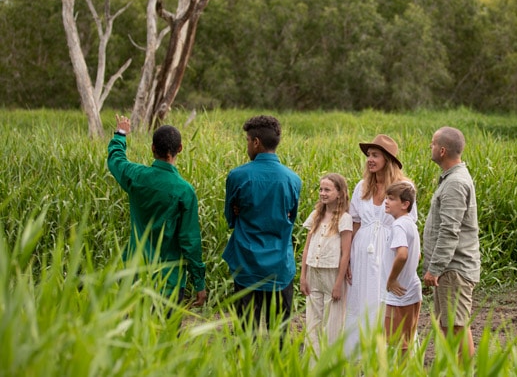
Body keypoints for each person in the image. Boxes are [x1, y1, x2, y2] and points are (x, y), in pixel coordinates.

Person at [107, 115, 207, 310]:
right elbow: (190, 241)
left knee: (136, 335)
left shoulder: (136, 176)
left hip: (134, 277)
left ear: (153, 148)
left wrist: (121, 134)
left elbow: (115, 159)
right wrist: (199, 283)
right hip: (169, 282)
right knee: (167, 336)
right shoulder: (184, 191)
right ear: (180, 148)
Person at [223, 115, 302, 332]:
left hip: (246, 264)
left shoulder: (238, 176)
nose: (247, 145)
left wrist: (241, 212)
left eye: (248, 140)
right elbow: (290, 218)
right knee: (280, 334)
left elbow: (230, 218)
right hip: (280, 266)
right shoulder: (293, 179)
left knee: (244, 333)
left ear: (256, 142)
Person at [344, 134, 417, 357]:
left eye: (375, 155)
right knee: (361, 299)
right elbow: (354, 223)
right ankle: (361, 355)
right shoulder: (361, 187)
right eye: (368, 155)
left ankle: (387, 355)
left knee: (385, 299)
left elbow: (408, 226)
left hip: (389, 249)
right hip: (362, 250)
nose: (370, 159)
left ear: (387, 159)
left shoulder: (403, 188)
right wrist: (346, 258)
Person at [423, 126, 480, 358]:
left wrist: (434, 269)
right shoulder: (452, 179)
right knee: (449, 326)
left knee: (456, 326)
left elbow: (449, 231)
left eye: (433, 143)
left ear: (443, 150)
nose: (431, 146)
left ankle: (465, 372)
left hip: (453, 269)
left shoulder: (455, 183)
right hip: (450, 269)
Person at [300, 173, 353, 358]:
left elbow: (346, 253)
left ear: (339, 193)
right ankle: (312, 364)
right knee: (312, 322)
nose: (323, 193)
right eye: (321, 189)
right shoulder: (315, 215)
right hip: (313, 273)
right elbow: (307, 248)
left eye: (327, 190)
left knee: (333, 323)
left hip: (332, 274)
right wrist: (303, 276)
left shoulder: (344, 219)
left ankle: (331, 363)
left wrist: (339, 284)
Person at [382, 181, 422, 353]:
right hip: (412, 288)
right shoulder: (410, 224)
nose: (386, 202)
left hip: (399, 294)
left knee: (396, 343)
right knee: (407, 340)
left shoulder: (398, 225)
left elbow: (402, 254)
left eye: (391, 199)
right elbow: (417, 255)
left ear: (405, 204)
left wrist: (391, 280)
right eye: (386, 198)